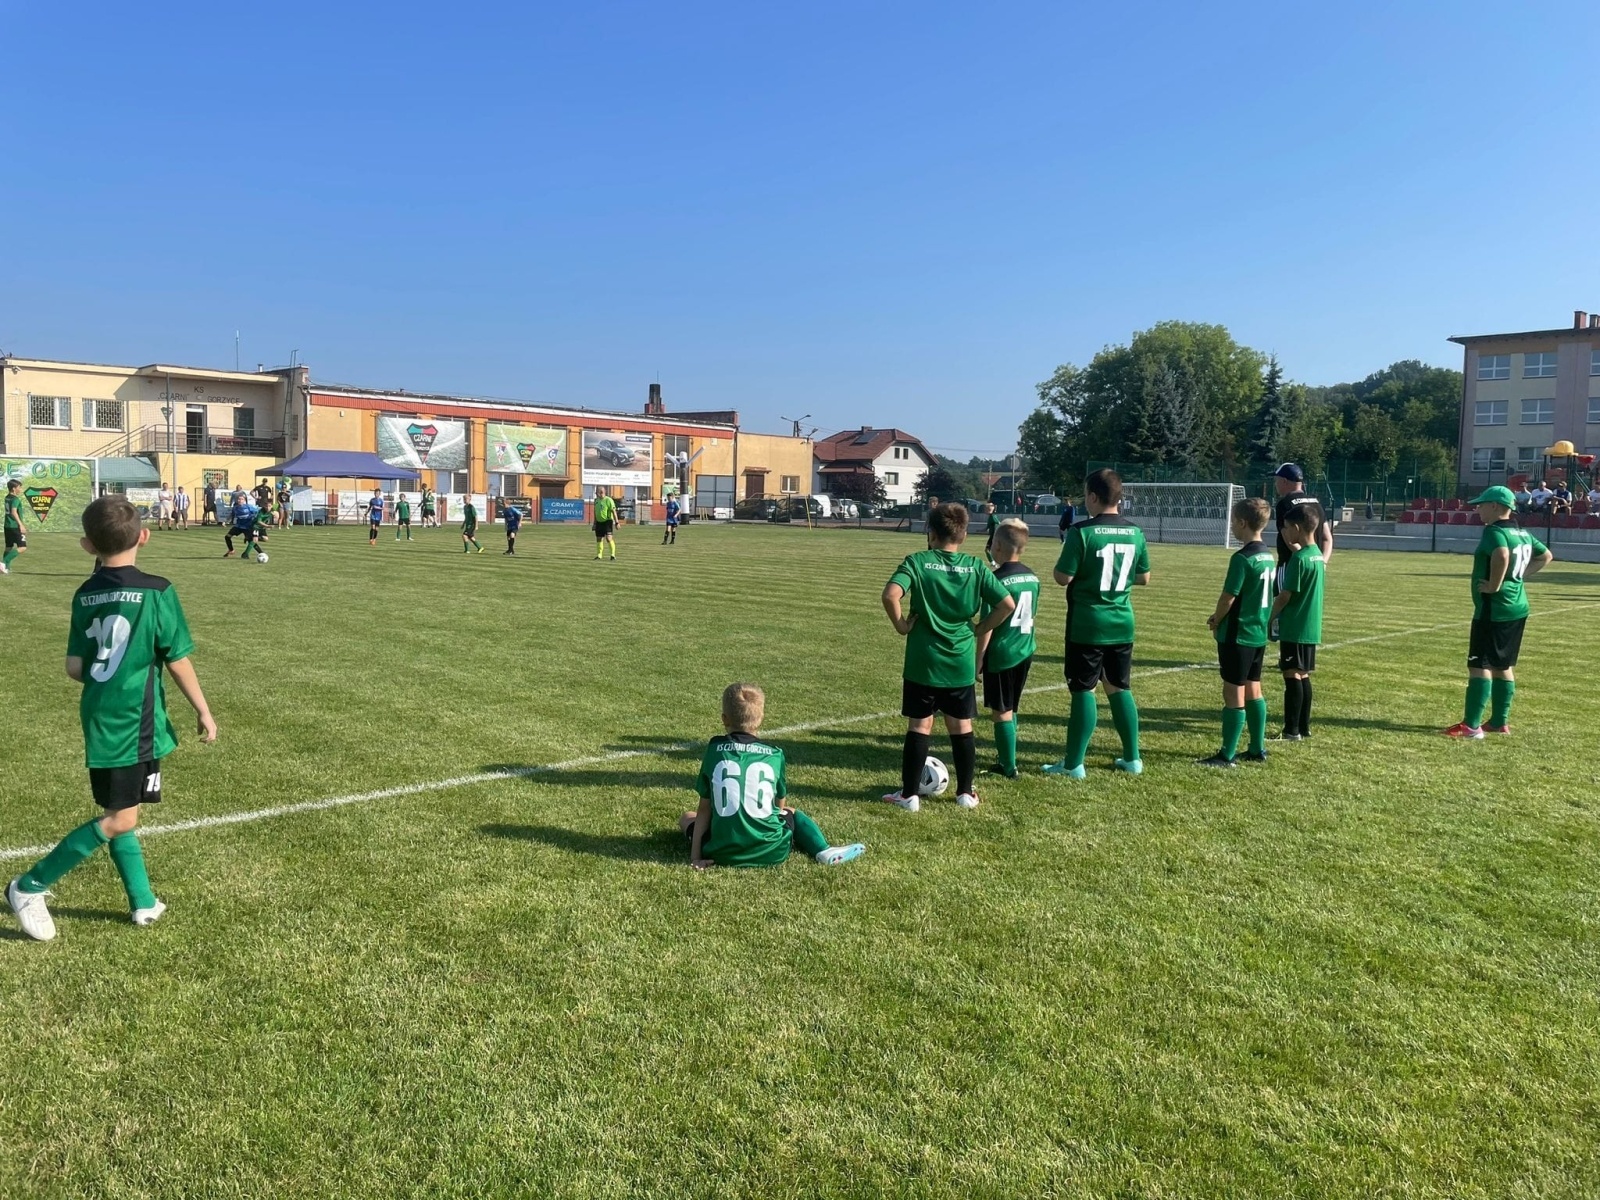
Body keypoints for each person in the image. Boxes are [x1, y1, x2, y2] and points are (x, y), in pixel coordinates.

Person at [5, 496, 217, 941]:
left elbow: (74, 668)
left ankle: (142, 901)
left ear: (87, 546)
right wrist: (203, 710)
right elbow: (177, 659)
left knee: (124, 810)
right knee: (120, 818)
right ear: (145, 536)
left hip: (101, 715)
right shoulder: (158, 591)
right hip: (133, 722)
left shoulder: (85, 593)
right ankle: (30, 886)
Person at [880, 502, 1015, 811]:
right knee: (961, 726)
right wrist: (981, 627)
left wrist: (902, 626)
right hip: (960, 660)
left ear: (931, 533)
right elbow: (1007, 604)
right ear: (964, 535)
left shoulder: (917, 561)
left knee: (920, 726)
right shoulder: (977, 566)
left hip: (923, 660)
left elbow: (890, 595)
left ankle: (909, 795)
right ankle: (966, 793)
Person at [680, 683, 865, 869]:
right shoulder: (775, 754)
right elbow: (779, 807)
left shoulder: (715, 750)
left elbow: (704, 809)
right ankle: (823, 849)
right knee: (791, 812)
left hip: (720, 853)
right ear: (761, 719)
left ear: (724, 719)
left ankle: (727, 837)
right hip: (773, 851)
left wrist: (696, 857)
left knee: (688, 817)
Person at [1043, 469, 1150, 779]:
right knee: (1119, 687)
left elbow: (1063, 577)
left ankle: (1074, 764)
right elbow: (1143, 577)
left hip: (1088, 624)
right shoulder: (1135, 532)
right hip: (1122, 622)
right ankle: (1133, 759)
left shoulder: (1081, 532)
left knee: (1083, 690)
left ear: (1092, 496)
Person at [1445, 485, 1553, 738]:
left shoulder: (1494, 532)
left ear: (1495, 506)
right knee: (1503, 664)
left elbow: (1502, 554)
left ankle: (1471, 727)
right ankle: (1498, 722)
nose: (1478, 509)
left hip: (1493, 609)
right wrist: (1518, 578)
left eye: (1481, 504)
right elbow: (1545, 555)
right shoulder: (1522, 532)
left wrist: (1495, 584)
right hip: (1517, 607)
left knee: (1479, 664)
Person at [1199, 498, 1276, 767]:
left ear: (1242, 523)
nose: (1232, 526)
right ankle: (1257, 748)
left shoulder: (1242, 558)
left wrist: (1216, 619)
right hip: (1257, 634)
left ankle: (1227, 754)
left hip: (1238, 633)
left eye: (1233, 521)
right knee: (1254, 688)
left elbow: (1228, 597)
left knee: (1233, 692)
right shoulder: (1268, 555)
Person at [975, 518, 1039, 779]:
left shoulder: (995, 580)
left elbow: (988, 624)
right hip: (1025, 649)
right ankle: (1007, 757)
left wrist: (979, 658)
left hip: (1002, 652)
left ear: (997, 546)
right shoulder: (1033, 577)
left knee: (1001, 711)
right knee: (1012, 706)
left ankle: (1008, 767)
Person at [1269, 506, 1324, 741]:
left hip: (1294, 626)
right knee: (1303, 675)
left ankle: (1291, 731)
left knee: (1291, 676)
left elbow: (1285, 595)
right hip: (1310, 626)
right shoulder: (1317, 555)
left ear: (1297, 528)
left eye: (1287, 528)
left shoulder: (1299, 560)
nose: (1284, 532)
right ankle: (1304, 727)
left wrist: (1269, 616)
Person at [1273, 463, 1332, 572]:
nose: (1275, 484)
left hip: (1290, 566)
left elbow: (1289, 540)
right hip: (1315, 566)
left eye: (1277, 480)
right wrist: (1322, 562)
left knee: (1284, 590)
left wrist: (1304, 559)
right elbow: (1327, 538)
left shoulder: (1284, 504)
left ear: (1284, 481)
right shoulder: (1316, 502)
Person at [3, 478, 27, 575]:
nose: (21, 489)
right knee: (22, 547)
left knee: (8, 547)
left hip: (7, 525)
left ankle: (6, 568)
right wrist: (21, 525)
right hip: (15, 526)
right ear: (14, 489)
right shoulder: (15, 499)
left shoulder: (7, 497)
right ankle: (3, 563)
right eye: (19, 487)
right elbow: (14, 512)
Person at [224, 494, 260, 559]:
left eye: (242, 499)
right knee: (227, 537)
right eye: (239, 499)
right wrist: (226, 521)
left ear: (244, 500)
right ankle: (231, 550)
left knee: (251, 541)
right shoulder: (235, 508)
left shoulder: (249, 507)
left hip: (248, 527)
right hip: (239, 526)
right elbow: (232, 515)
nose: (240, 500)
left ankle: (261, 553)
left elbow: (258, 511)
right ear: (237, 500)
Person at [593, 490, 618, 560]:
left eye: (596, 493)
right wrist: (594, 523)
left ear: (601, 492)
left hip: (607, 521)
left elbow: (614, 511)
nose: (596, 494)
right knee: (599, 539)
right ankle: (599, 555)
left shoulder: (608, 500)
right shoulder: (596, 501)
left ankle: (612, 555)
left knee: (609, 538)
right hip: (599, 522)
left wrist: (617, 522)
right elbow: (595, 512)